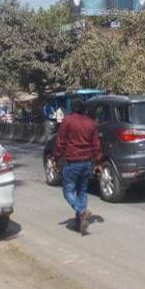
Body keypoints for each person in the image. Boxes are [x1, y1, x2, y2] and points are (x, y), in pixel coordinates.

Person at [53, 97, 103, 234]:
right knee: (82, 192)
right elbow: (96, 145)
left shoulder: (67, 121)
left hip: (72, 162)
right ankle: (79, 222)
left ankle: (81, 211)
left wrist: (56, 158)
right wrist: (98, 162)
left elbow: (60, 142)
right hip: (87, 162)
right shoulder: (91, 123)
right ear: (84, 109)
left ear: (72, 108)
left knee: (68, 191)